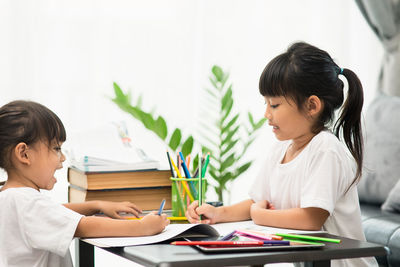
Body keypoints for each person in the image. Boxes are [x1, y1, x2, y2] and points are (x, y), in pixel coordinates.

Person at [186, 42, 377, 266]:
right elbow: (258, 201)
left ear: (312, 105)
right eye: (266, 103)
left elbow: (310, 219)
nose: (266, 114)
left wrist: (259, 215)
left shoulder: (326, 149)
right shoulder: (281, 148)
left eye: (274, 105)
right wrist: (218, 213)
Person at [0, 100, 170, 267]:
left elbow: (54, 212)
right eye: (56, 148)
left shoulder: (10, 197)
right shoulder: (26, 201)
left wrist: (96, 205)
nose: (63, 158)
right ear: (24, 154)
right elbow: (85, 226)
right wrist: (142, 226)